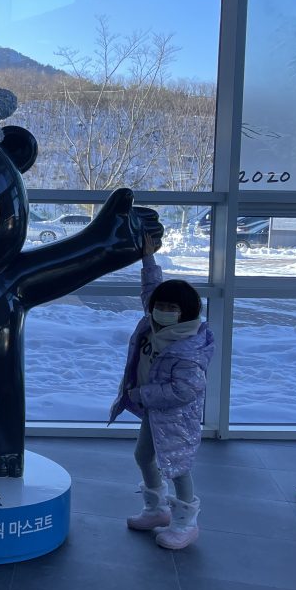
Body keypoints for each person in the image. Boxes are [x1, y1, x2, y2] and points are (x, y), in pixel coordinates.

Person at [109, 233, 215, 550]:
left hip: (177, 417)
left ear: (186, 311)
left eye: (171, 307)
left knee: (178, 466)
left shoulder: (189, 347)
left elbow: (185, 390)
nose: (162, 310)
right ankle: (156, 510)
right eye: (160, 306)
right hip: (154, 412)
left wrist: (142, 395)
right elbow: (151, 289)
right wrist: (148, 257)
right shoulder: (154, 322)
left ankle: (185, 524)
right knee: (143, 456)